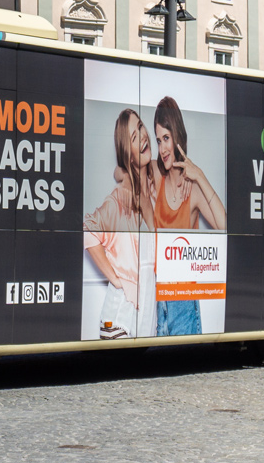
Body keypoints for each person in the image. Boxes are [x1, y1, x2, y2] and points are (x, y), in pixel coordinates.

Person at [145, 97, 224, 337]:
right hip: (158, 297)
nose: (163, 148)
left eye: (166, 138)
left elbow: (225, 225)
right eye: (158, 141)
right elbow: (120, 170)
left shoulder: (195, 189)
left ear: (177, 135)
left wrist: (199, 175)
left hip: (183, 301)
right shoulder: (156, 175)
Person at [85, 109, 156, 339]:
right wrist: (116, 280)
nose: (143, 136)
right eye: (134, 138)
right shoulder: (120, 199)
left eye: (141, 127)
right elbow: (89, 231)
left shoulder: (149, 190)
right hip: (120, 321)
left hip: (143, 317)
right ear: (129, 154)